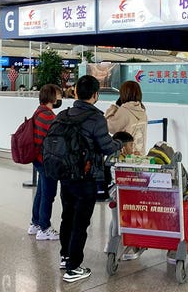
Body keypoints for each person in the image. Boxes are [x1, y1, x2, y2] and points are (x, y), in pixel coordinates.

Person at [58, 75, 122, 283]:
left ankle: (65, 255)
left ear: (76, 92)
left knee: (67, 216)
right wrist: (119, 143)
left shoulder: (64, 114)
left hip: (65, 175)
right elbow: (106, 147)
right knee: (80, 222)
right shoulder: (96, 119)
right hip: (86, 177)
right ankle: (73, 268)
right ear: (96, 95)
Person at [27, 84, 62, 241]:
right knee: (48, 194)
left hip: (39, 160)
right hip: (46, 160)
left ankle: (35, 223)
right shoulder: (47, 116)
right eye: (59, 95)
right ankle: (44, 228)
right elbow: (55, 138)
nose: (60, 98)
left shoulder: (39, 111)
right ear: (52, 97)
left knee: (41, 192)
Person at [105, 81, 148, 155]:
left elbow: (109, 126)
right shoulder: (142, 110)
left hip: (126, 156)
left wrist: (114, 107)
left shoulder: (124, 110)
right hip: (139, 154)